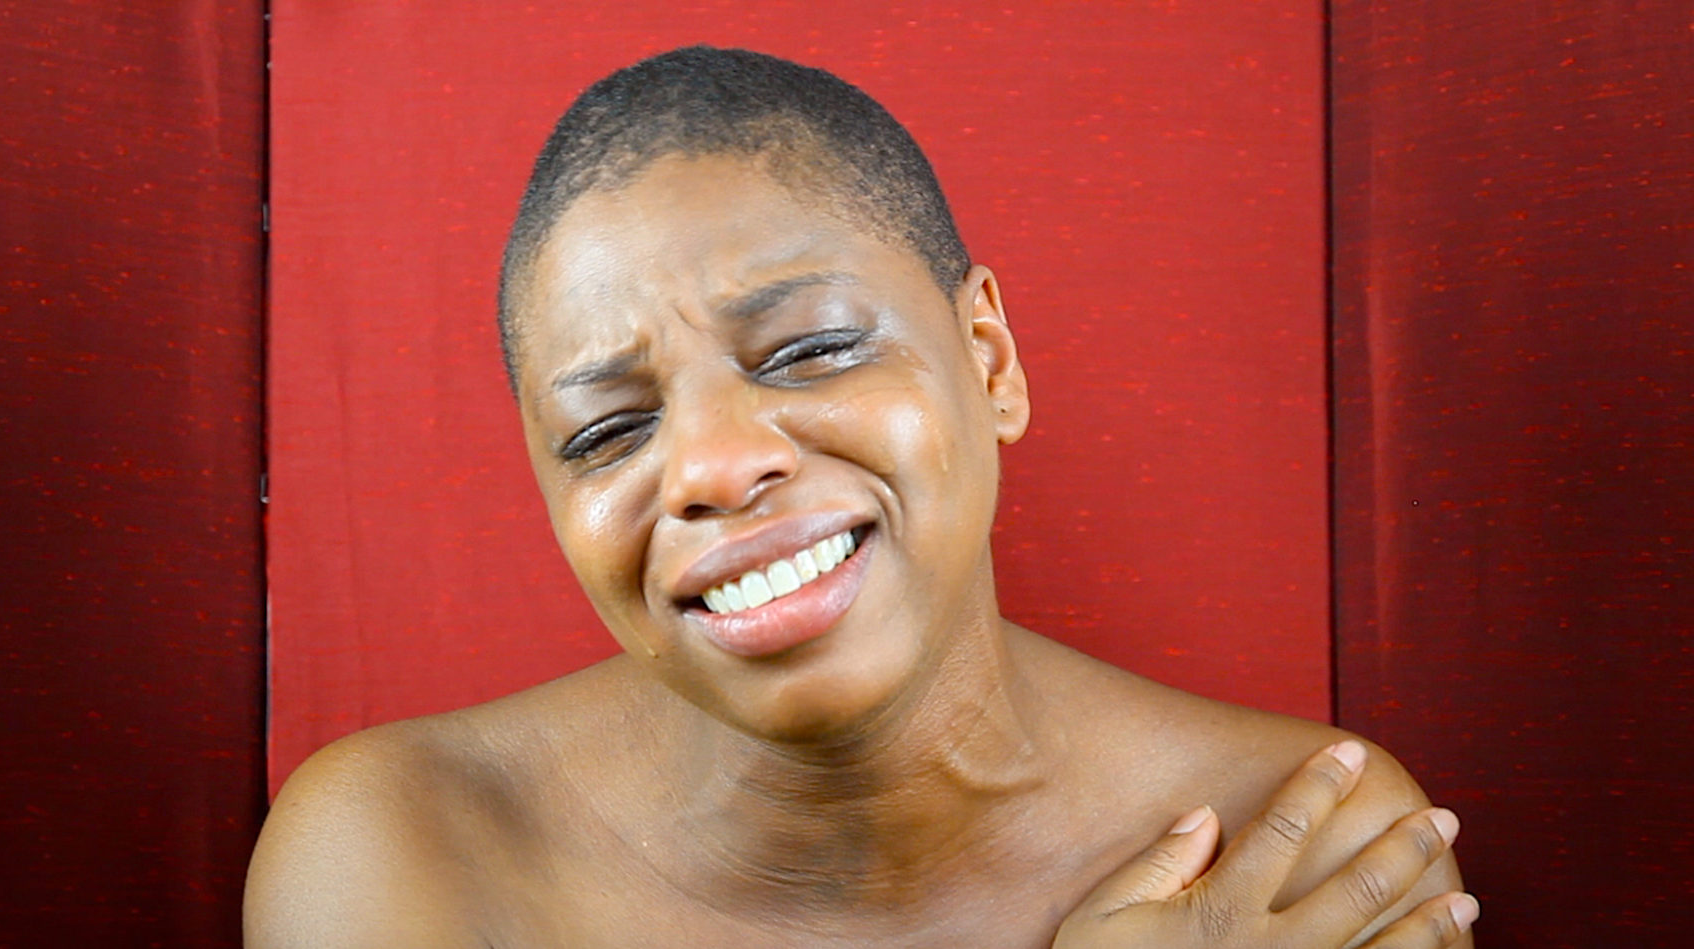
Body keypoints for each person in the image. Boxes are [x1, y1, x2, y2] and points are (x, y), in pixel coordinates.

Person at [245, 46, 1477, 947]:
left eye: (807, 351)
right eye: (610, 429)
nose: (718, 465)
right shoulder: (404, 853)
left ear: (989, 361)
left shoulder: (1298, 843)